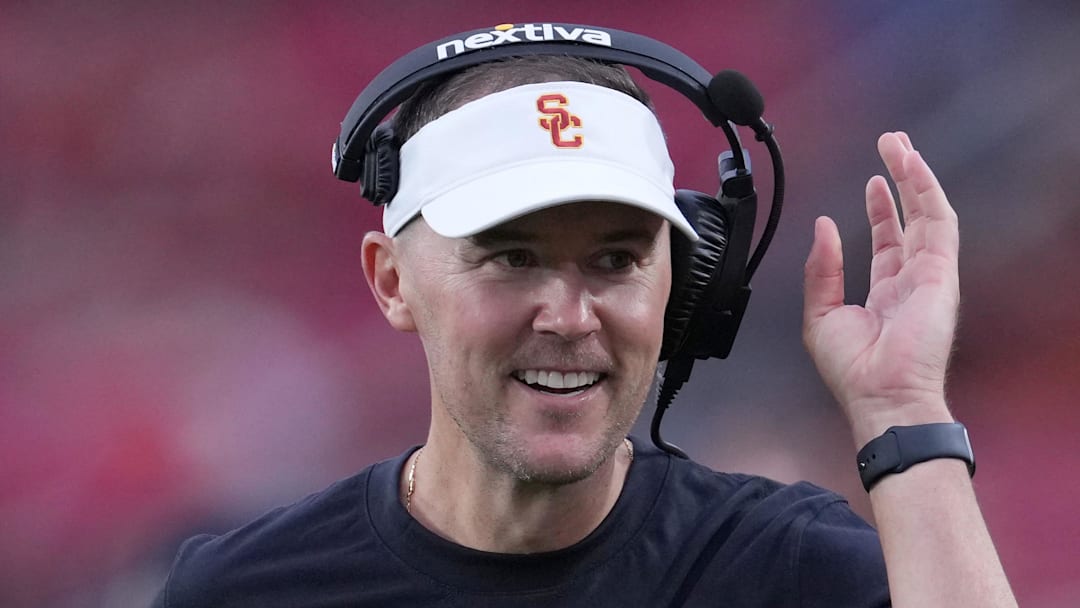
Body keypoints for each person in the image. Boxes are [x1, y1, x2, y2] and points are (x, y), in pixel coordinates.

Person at [153, 50, 1017, 606]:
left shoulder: (786, 570)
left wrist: (902, 412)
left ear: (684, 286)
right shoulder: (242, 592)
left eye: (615, 261)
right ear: (392, 281)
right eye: (512, 257)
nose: (569, 318)